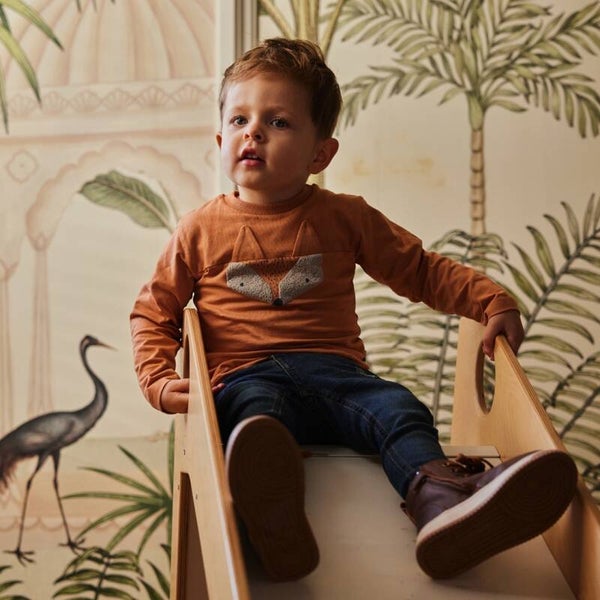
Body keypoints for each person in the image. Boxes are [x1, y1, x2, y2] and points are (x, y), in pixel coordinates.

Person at [130, 38, 577, 582]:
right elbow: (154, 312)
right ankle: (269, 518)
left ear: (321, 154)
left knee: (398, 407)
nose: (254, 133)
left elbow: (419, 269)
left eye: (278, 122)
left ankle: (441, 502)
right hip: (247, 376)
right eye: (240, 120)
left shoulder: (344, 217)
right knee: (253, 422)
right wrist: (157, 379)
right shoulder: (198, 230)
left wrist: (488, 299)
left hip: (339, 376)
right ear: (221, 140)